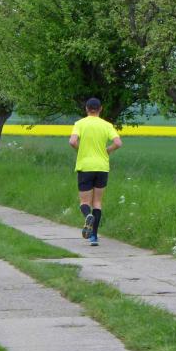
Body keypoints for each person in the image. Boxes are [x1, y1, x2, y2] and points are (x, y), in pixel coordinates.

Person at [69, 97, 122, 246]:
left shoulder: (80, 124)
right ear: (101, 109)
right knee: (97, 202)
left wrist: (80, 149)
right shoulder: (107, 125)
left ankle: (88, 216)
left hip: (85, 166)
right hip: (102, 167)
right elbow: (118, 143)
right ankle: (94, 237)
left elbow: (72, 141)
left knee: (84, 202)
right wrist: (108, 151)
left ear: (86, 109)